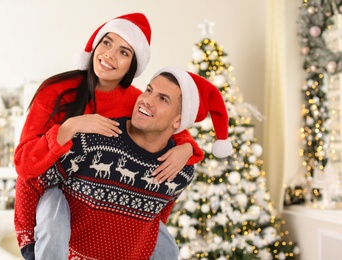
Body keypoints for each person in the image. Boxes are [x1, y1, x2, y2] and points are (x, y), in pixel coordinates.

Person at [13, 13, 205, 260]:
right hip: (52, 194)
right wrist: (70, 127)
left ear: (132, 65)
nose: (110, 55)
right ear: (95, 45)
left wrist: (187, 148)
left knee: (168, 248)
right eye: (107, 43)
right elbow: (25, 167)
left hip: (96, 208)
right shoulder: (57, 92)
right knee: (55, 217)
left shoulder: (135, 101)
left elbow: (169, 124)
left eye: (124, 52)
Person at [28, 66, 232, 259]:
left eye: (162, 99)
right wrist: (26, 241)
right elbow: (36, 183)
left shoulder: (181, 172)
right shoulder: (95, 139)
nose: (146, 100)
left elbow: (156, 218)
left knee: (168, 248)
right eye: (149, 90)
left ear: (178, 121)